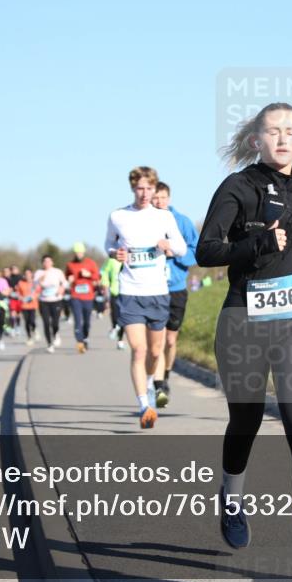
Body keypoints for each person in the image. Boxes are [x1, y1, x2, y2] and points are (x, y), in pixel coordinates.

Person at [197, 102, 292, 577]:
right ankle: (231, 497)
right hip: (244, 320)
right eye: (273, 131)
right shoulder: (237, 187)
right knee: (244, 422)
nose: (282, 137)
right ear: (255, 141)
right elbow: (207, 250)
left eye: (291, 131)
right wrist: (260, 244)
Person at [105, 166, 187, 429]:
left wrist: (169, 246)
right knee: (138, 349)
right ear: (132, 188)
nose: (144, 193)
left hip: (158, 293)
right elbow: (108, 244)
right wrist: (113, 253)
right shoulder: (118, 216)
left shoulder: (163, 218)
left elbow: (182, 248)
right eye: (140, 188)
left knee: (154, 351)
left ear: (154, 189)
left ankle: (152, 382)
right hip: (130, 292)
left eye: (149, 188)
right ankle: (144, 405)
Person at [150, 181, 199, 407]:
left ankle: (166, 375)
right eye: (155, 198)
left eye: (162, 198)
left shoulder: (182, 222)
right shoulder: (145, 222)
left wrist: (175, 254)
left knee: (171, 340)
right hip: (152, 289)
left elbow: (197, 251)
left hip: (176, 287)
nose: (158, 202)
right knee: (157, 342)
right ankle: (159, 385)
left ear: (168, 198)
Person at [66, 242, 101, 353]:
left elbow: (97, 277)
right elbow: (66, 276)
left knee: (86, 322)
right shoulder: (70, 265)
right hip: (75, 296)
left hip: (88, 297)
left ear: (83, 252)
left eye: (80, 252)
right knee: (77, 320)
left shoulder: (90, 263)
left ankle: (85, 338)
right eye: (77, 252)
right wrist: (69, 279)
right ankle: (80, 342)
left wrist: (89, 275)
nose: (79, 254)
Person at [33, 255, 67, 353]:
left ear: (52, 262)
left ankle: (55, 334)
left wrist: (61, 289)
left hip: (56, 299)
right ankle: (49, 344)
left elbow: (65, 283)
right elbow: (35, 285)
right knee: (46, 323)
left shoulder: (57, 272)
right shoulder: (39, 273)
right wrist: (40, 279)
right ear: (42, 263)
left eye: (49, 261)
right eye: (45, 261)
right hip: (44, 301)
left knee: (55, 323)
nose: (47, 263)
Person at [100, 256, 126, 350]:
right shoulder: (111, 261)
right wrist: (105, 285)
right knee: (115, 315)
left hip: (127, 293)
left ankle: (120, 340)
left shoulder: (129, 258)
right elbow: (103, 272)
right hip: (114, 292)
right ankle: (114, 327)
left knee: (123, 318)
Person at [16, 268, 39, 346]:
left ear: (31, 275)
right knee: (26, 322)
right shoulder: (20, 283)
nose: (28, 276)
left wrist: (34, 296)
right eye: (26, 274)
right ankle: (29, 338)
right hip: (24, 305)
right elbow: (18, 293)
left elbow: (38, 292)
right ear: (24, 275)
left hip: (33, 304)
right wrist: (21, 298)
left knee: (32, 320)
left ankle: (34, 329)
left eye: (29, 274)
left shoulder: (35, 283)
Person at [7, 265, 23, 337]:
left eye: (15, 269)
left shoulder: (21, 278)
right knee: (12, 314)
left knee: (18, 314)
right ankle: (13, 328)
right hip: (12, 298)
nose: (14, 270)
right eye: (12, 269)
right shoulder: (9, 278)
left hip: (19, 298)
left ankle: (18, 327)